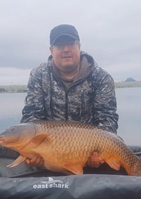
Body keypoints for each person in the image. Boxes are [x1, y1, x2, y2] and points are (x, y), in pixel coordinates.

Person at [21, 24, 119, 168]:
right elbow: (31, 118)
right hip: (49, 153)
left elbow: (108, 121)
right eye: (60, 45)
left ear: (79, 46)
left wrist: (98, 154)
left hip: (87, 152)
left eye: (71, 44)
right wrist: (33, 150)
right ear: (51, 50)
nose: (66, 49)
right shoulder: (38, 75)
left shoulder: (101, 78)